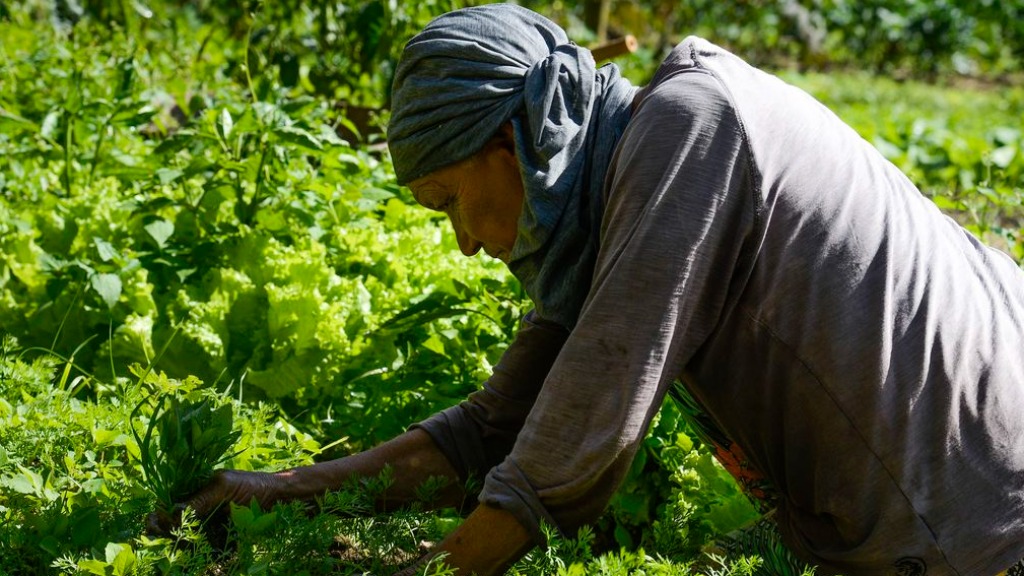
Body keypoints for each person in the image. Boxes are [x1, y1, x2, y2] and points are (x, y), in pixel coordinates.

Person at [151, 4, 1024, 575]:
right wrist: (277, 491)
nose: (462, 240)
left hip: (983, 531)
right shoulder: (631, 182)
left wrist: (442, 566)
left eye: (449, 201)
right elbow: (494, 431)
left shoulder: (691, 129)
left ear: (514, 141)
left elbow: (587, 415)